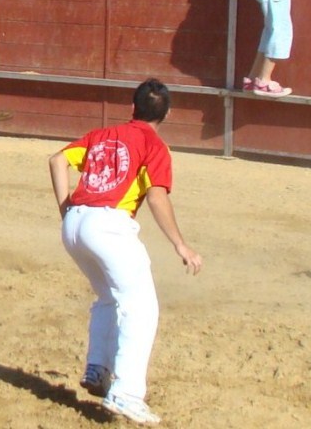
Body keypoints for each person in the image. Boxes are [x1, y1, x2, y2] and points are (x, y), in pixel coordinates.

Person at [48, 79, 202, 426]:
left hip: (75, 224)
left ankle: (98, 368)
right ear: (168, 115)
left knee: (107, 297)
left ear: (132, 109)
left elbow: (57, 160)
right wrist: (180, 243)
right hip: (109, 227)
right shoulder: (155, 146)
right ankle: (127, 393)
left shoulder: (102, 135)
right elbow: (156, 196)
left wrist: (66, 211)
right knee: (141, 307)